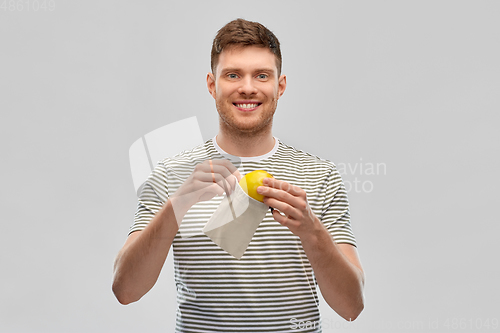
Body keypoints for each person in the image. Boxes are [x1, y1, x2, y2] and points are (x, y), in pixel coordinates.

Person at [112, 18, 365, 332]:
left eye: (262, 75)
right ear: (212, 84)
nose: (248, 87)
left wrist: (311, 231)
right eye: (233, 74)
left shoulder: (320, 175)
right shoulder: (171, 174)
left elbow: (352, 307)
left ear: (280, 86)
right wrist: (177, 205)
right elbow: (125, 290)